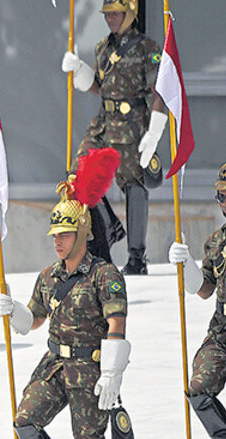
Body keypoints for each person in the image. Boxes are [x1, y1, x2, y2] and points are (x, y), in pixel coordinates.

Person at [0, 149, 130, 439]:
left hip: (90, 368)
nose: (57, 241)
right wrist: (15, 311)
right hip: (54, 363)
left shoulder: (104, 275)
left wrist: (112, 373)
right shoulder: (48, 276)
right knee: (24, 420)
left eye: (65, 234)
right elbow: (34, 319)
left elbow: (117, 324)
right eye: (54, 235)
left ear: (83, 234)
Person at [61, 0, 166, 274]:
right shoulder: (102, 47)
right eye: (107, 14)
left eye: (116, 14)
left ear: (130, 14)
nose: (110, 19)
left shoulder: (147, 48)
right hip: (105, 123)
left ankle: (136, 256)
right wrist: (80, 71)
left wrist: (154, 131)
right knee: (78, 175)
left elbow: (159, 91)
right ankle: (109, 226)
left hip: (133, 124)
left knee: (133, 185)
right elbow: (99, 86)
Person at [169, 161, 226, 439]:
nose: (224, 203)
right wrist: (187, 267)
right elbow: (205, 289)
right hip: (222, 327)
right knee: (198, 388)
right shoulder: (216, 242)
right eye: (220, 196)